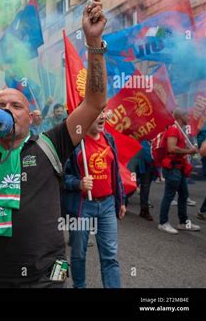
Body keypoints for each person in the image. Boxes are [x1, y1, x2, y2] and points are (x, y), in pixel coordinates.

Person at [0, 0, 109, 288]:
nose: (8, 111)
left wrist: (93, 44)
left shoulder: (51, 143)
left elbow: (95, 102)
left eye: (17, 106)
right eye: (2, 106)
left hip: (51, 276)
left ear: (30, 116)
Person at [63, 112, 126, 288]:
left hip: (107, 205)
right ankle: (79, 286)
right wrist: (78, 183)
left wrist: (121, 201)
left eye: (104, 113)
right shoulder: (75, 142)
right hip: (82, 206)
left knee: (110, 256)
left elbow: (115, 173)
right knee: (78, 254)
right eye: (96, 113)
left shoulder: (109, 139)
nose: (102, 117)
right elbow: (60, 175)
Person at [158, 108, 200, 234]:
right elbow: (171, 148)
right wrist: (189, 151)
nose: (189, 117)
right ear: (181, 116)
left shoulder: (180, 130)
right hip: (173, 169)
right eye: (187, 115)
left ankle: (183, 222)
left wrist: (189, 149)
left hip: (179, 168)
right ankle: (163, 223)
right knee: (169, 196)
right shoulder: (174, 129)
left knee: (183, 195)